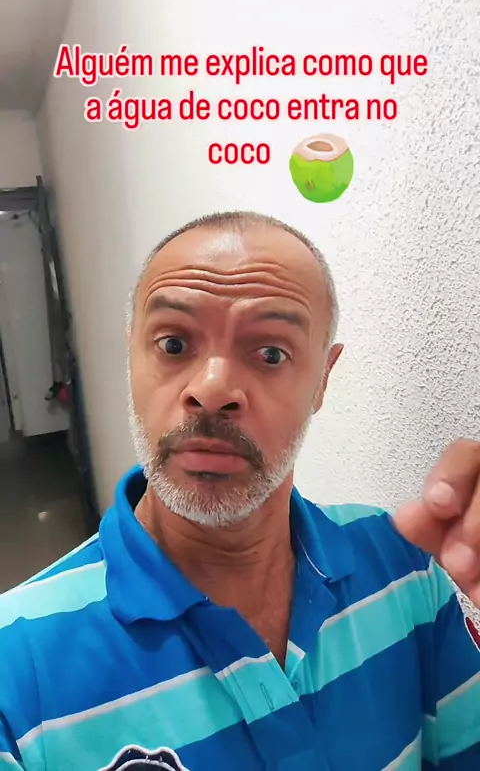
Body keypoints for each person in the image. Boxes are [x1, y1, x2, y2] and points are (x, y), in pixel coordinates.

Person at [1, 211, 479, 771]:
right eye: (173, 343)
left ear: (323, 379)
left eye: (271, 353)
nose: (212, 389)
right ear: (130, 358)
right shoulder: (15, 662)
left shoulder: (404, 567)